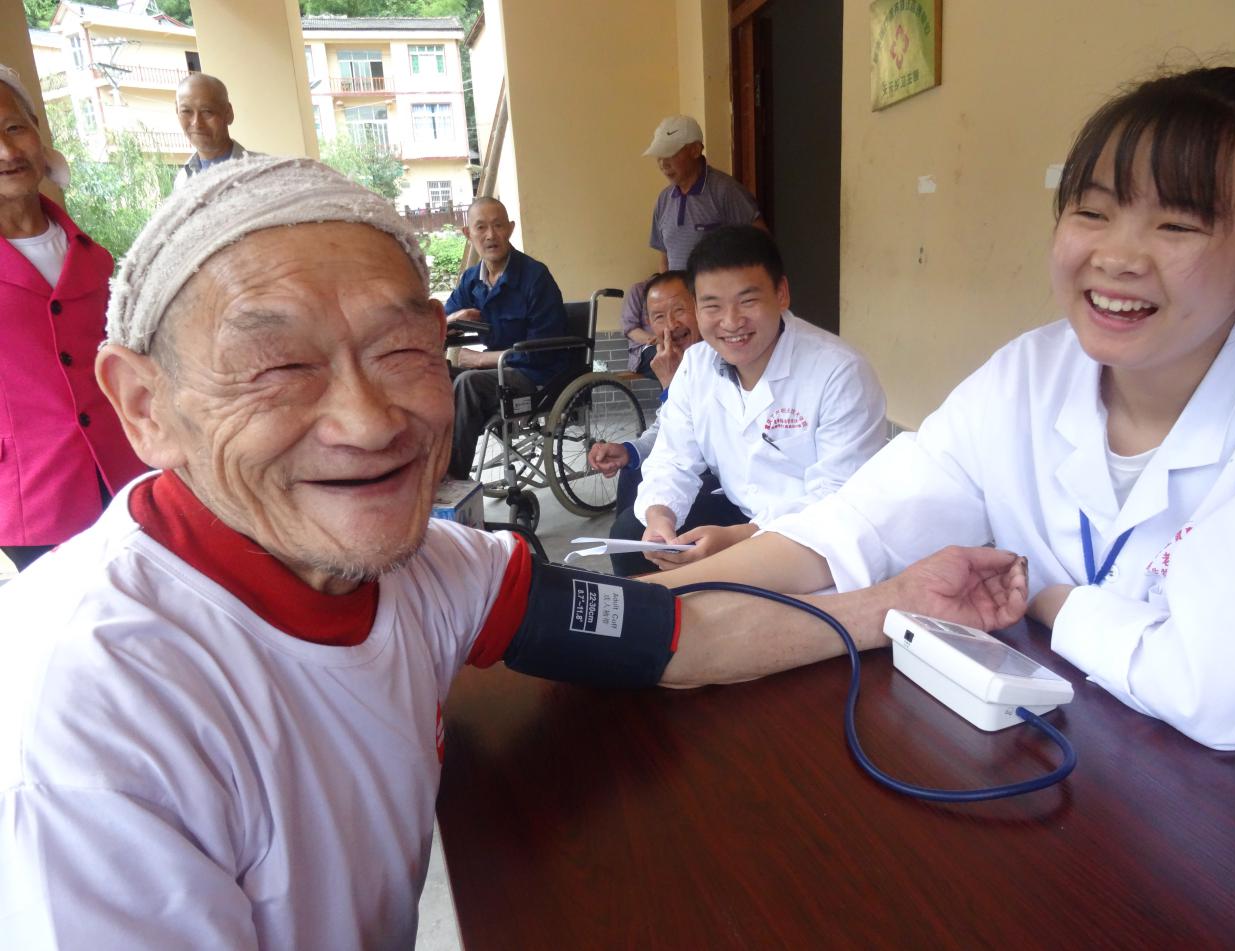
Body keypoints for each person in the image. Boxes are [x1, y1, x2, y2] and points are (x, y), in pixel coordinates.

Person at [0, 155, 1027, 947]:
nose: (366, 421)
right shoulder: (94, 705)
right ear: (143, 407)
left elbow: (675, 636)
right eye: (277, 367)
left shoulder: (430, 570)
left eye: (404, 350)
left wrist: (900, 600)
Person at [655, 66, 1235, 751]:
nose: (1118, 256)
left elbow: (1218, 693)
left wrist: (1047, 598)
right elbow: (854, 526)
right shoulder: (1029, 376)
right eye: (1093, 212)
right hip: (1018, 759)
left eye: (1178, 223)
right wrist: (642, 604)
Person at [614, 226, 887, 576]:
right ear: (697, 308)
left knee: (728, 584)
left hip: (814, 532)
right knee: (631, 537)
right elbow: (672, 458)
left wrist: (740, 539)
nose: (731, 322)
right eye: (712, 305)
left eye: (748, 301)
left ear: (782, 293)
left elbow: (837, 498)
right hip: (739, 509)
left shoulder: (839, 372)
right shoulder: (697, 365)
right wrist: (660, 518)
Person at [0, 65, 147, 572]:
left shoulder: (92, 254)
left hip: (126, 469)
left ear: (37, 131)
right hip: (32, 489)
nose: (6, 151)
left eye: (14, 128)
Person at [588, 271, 746, 564]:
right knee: (633, 472)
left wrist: (669, 386)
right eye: (658, 317)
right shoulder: (680, 361)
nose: (671, 325)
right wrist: (628, 450)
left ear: (699, 309)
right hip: (689, 465)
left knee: (629, 529)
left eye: (679, 311)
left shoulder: (722, 354)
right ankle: (645, 559)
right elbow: (669, 430)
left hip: (728, 481)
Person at [444, 196, 570, 479]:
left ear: (510, 229)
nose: (490, 235)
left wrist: (479, 360)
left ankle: (454, 483)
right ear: (468, 234)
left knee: (467, 383)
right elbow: (441, 320)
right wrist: (451, 319)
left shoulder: (535, 277)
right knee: (435, 376)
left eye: (498, 225)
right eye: (481, 227)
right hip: (497, 375)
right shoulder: (471, 281)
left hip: (536, 375)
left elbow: (539, 353)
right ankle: (432, 470)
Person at [645, 115, 764, 272]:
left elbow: (762, 244)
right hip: (679, 296)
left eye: (670, 154)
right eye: (659, 156)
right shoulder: (663, 200)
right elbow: (664, 260)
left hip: (718, 294)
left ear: (695, 150)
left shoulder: (725, 191)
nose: (663, 164)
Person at [173, 73, 254, 188]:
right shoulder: (182, 181)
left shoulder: (265, 171)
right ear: (177, 111)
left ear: (228, 113)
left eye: (207, 111)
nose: (196, 123)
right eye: (186, 111)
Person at [620, 274, 659, 377]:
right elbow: (630, 329)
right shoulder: (638, 290)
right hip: (645, 350)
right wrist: (658, 339)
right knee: (668, 355)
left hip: (671, 345)